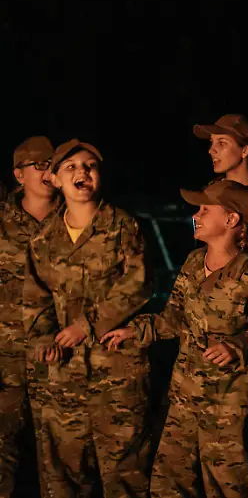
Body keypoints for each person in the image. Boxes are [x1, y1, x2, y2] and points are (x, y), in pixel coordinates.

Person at [102, 181, 248, 498]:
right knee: (168, 484)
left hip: (227, 407)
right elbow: (173, 317)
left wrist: (239, 346)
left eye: (205, 209)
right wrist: (135, 331)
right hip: (183, 399)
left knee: (226, 487)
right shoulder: (193, 263)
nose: (196, 215)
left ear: (232, 220)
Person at [23, 140, 151, 498]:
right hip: (63, 377)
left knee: (124, 476)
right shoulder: (44, 238)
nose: (82, 172)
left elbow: (138, 284)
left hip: (117, 374)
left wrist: (88, 325)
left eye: (90, 165)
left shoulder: (124, 226)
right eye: (71, 167)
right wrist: (43, 340)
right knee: (63, 477)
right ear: (55, 180)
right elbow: (35, 299)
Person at [0, 136, 59, 498]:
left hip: (58, 354)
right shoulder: (2, 221)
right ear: (19, 175)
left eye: (54, 165)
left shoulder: (77, 219)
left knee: (58, 454)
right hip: (7, 355)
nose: (49, 173)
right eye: (40, 165)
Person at [194, 114, 248, 253]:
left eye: (222, 142)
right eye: (212, 142)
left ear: (245, 150)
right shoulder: (212, 189)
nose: (211, 150)